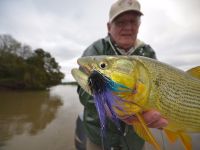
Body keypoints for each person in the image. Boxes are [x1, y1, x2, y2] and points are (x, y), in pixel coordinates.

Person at [75, 0, 168, 149]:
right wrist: (108, 105)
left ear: (139, 25)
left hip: (134, 140)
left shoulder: (148, 53)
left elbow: (160, 88)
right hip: (99, 137)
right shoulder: (95, 51)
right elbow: (83, 90)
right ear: (108, 27)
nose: (128, 28)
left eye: (133, 21)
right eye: (120, 22)